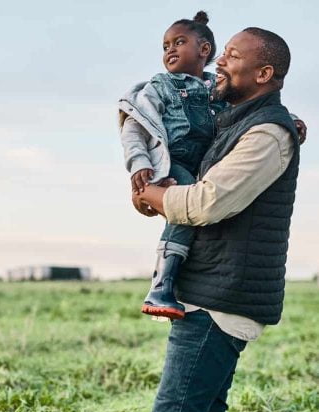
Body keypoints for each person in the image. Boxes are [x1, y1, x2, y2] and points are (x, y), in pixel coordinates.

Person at [132, 27, 304, 412]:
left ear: (264, 73)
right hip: (213, 290)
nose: (219, 62)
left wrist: (152, 193)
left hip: (221, 299)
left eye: (231, 55)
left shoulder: (266, 133)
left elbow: (207, 202)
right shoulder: (237, 121)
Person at [118, 12, 304, 320]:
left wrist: (291, 118)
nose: (170, 51)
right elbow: (135, 128)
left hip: (205, 170)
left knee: (186, 212)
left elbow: (254, 109)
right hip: (175, 162)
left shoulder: (219, 93)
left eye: (179, 42)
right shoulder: (158, 87)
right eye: (165, 46)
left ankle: (164, 284)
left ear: (204, 50)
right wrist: (140, 168)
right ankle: (161, 284)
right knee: (181, 218)